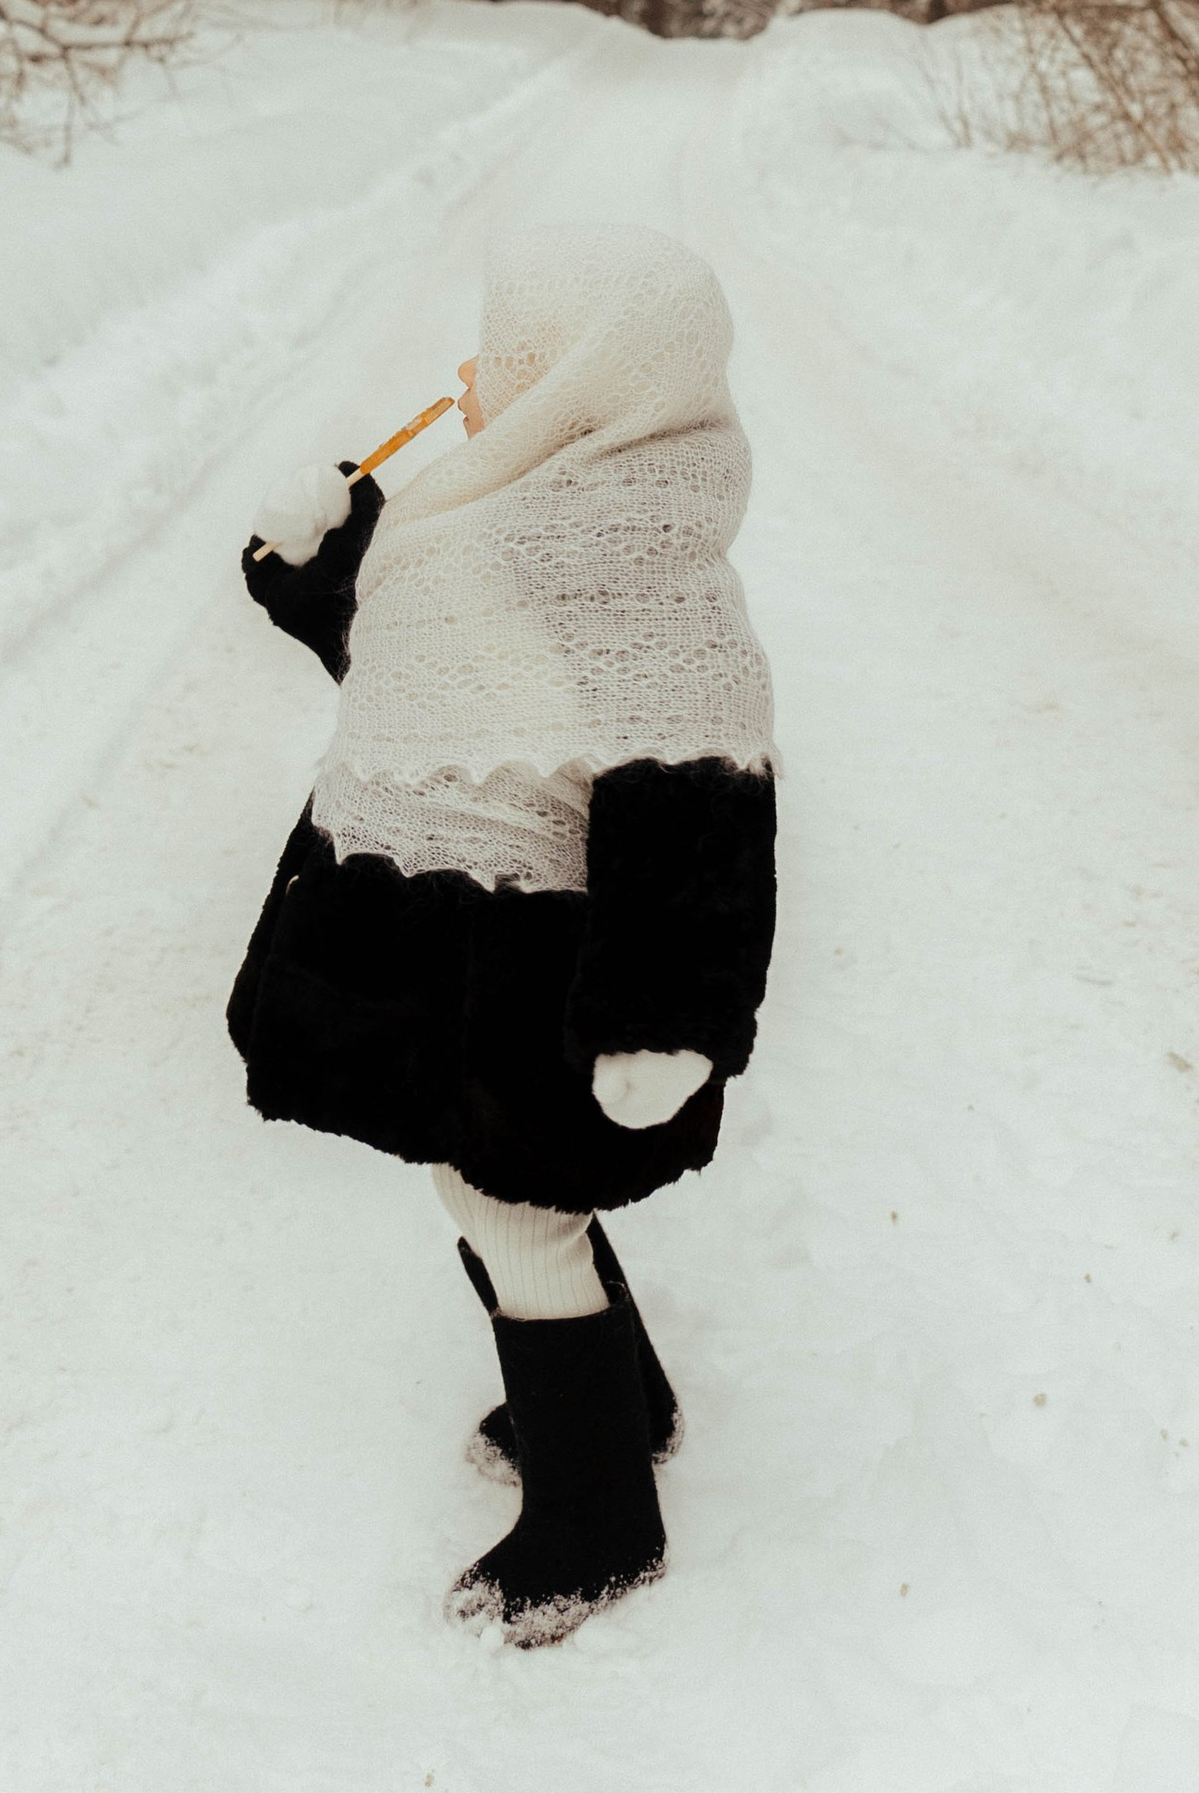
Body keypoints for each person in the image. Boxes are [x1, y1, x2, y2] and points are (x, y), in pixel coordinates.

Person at [227, 220, 779, 1647]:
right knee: (500, 1189)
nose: (475, 376)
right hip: (454, 958)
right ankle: (622, 1400)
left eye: (511, 359)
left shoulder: (642, 572)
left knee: (511, 1204)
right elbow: (423, 676)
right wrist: (320, 568)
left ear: (581, 388)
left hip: (554, 982)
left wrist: (665, 1016)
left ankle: (596, 1523)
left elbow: (691, 800)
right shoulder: (485, 515)